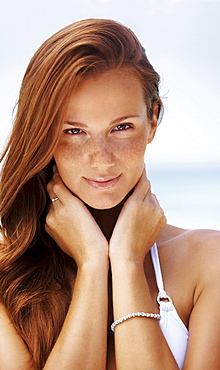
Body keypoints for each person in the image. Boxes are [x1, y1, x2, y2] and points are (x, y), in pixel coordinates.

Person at [0, 18, 220, 370]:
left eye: (121, 127)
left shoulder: (209, 261)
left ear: (153, 119)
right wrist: (91, 263)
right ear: (43, 135)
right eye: (73, 131)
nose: (101, 159)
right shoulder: (8, 277)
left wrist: (128, 262)